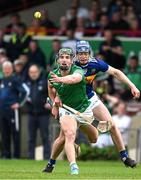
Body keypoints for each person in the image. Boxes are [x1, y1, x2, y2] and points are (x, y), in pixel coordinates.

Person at [43, 41, 140, 173]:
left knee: (110, 125)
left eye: (86, 53)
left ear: (89, 54)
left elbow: (116, 72)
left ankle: (125, 157)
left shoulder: (96, 64)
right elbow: (58, 83)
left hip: (89, 99)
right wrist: (57, 98)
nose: (83, 56)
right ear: (76, 55)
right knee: (65, 136)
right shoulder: (70, 63)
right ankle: (51, 163)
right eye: (80, 53)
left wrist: (132, 86)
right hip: (71, 103)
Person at [43, 47, 98, 175]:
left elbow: (75, 79)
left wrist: (60, 80)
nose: (64, 60)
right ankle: (73, 167)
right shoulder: (52, 75)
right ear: (57, 60)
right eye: (62, 57)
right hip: (66, 111)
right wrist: (54, 105)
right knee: (69, 134)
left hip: (83, 109)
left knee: (94, 138)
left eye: (67, 58)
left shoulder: (77, 70)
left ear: (72, 60)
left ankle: (52, 162)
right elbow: (50, 89)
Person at [0, 61, 29, 158]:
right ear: (2, 70)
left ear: (11, 69)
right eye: (5, 68)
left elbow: (25, 92)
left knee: (15, 133)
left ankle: (16, 155)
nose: (6, 70)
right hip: (2, 111)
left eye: (8, 68)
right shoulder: (2, 80)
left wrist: (19, 103)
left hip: (13, 111)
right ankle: (6, 155)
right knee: (4, 133)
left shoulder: (15, 79)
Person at [25, 64, 51, 159]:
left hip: (43, 114)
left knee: (45, 137)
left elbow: (52, 95)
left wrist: (50, 103)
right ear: (29, 73)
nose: (33, 74)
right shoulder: (26, 83)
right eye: (31, 72)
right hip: (31, 114)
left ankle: (47, 157)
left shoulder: (44, 82)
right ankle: (30, 158)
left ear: (38, 72)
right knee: (31, 138)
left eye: (35, 72)